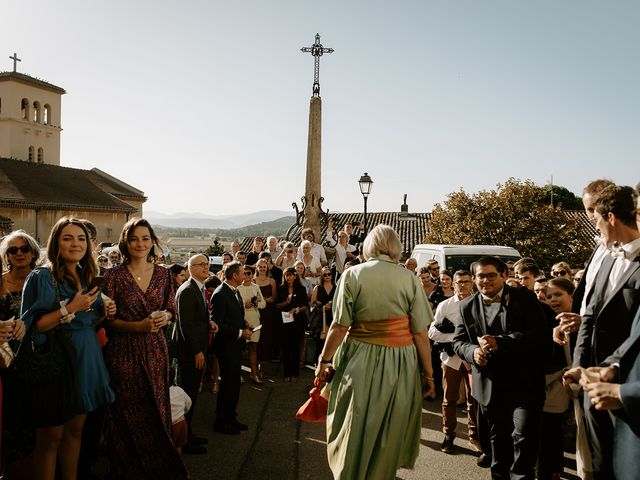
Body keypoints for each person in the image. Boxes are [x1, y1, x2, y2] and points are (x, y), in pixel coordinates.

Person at [315, 225, 434, 480]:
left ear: (369, 245)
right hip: (400, 360)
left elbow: (339, 325)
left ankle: (348, 473)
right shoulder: (410, 278)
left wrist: (324, 359)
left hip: (358, 356)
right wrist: (429, 374)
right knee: (388, 426)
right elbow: (421, 333)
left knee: (352, 420)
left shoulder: (352, 275)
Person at [20, 217, 116, 480]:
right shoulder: (41, 276)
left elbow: (92, 320)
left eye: (81, 238)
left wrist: (106, 310)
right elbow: (32, 326)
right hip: (57, 363)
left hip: (87, 359)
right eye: (67, 238)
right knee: (51, 437)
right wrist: (69, 308)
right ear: (55, 243)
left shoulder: (88, 276)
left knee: (75, 432)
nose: (75, 243)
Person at [563, 184, 640, 479]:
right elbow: (590, 314)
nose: (594, 226)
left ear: (610, 217)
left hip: (626, 379)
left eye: (595, 219)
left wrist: (615, 370)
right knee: (599, 459)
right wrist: (579, 365)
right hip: (592, 376)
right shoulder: (606, 257)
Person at [102, 218, 188, 479]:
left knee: (156, 409)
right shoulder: (113, 276)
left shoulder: (163, 274)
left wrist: (166, 317)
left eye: (145, 238)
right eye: (134, 238)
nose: (140, 243)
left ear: (153, 242)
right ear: (125, 242)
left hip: (156, 351)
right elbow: (107, 322)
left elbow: (172, 309)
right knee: (126, 414)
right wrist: (138, 326)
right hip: (123, 353)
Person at [453, 256, 546, 479]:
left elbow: (538, 336)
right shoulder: (466, 306)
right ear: (474, 279)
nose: (486, 280)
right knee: (497, 443)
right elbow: (458, 341)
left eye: (491, 275)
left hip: (525, 384)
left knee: (523, 438)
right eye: (481, 276)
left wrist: (502, 342)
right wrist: (473, 352)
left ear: (504, 275)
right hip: (489, 386)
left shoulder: (525, 298)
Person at [428, 270, 478, 455]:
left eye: (466, 281)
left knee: (474, 399)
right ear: (453, 284)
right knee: (449, 399)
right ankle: (449, 435)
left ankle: (475, 435)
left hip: (473, 357)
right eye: (459, 282)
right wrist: (455, 338)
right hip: (451, 359)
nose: (463, 285)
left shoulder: (479, 303)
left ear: (472, 283)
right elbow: (432, 332)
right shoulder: (445, 305)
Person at [174, 254, 215, 454]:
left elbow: (198, 319)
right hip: (191, 353)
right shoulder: (188, 290)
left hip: (198, 349)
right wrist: (197, 351)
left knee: (192, 396)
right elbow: (186, 326)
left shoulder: (198, 288)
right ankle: (184, 440)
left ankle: (189, 434)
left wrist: (210, 324)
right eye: (202, 265)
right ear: (191, 268)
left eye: (207, 264)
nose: (206, 268)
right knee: (187, 396)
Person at [537, 277, 575, 480]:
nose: (552, 299)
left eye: (558, 294)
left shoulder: (584, 320)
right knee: (549, 435)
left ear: (572, 295)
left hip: (582, 390)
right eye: (549, 296)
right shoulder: (545, 321)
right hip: (553, 391)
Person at [210, 261, 252, 435]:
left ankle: (231, 417)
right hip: (227, 347)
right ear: (235, 275)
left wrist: (244, 323)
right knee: (227, 384)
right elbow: (218, 324)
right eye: (243, 273)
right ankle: (222, 422)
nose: (245, 276)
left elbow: (234, 316)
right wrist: (240, 332)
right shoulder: (220, 294)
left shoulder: (234, 292)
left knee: (234, 384)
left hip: (235, 346)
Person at [275, 267, 309, 383]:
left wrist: (296, 309)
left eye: (290, 275)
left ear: (295, 276)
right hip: (284, 322)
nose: (288, 277)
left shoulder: (301, 289)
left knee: (295, 347)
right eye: (286, 275)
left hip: (298, 321)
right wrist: (286, 302)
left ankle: (295, 372)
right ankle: (287, 372)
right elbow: (276, 306)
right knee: (285, 348)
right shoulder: (281, 289)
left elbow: (305, 305)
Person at [237, 264, 266, 384]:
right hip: (241, 319)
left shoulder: (256, 287)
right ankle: (238, 374)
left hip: (254, 318)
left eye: (249, 273)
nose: (247, 275)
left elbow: (263, 303)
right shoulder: (238, 288)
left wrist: (255, 304)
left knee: (253, 347)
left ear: (253, 274)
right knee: (239, 349)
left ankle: (254, 374)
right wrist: (244, 305)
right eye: (245, 273)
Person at [254, 258, 277, 366]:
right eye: (260, 266)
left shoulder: (272, 281)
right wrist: (262, 300)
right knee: (257, 334)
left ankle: (266, 358)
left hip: (268, 312)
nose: (262, 268)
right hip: (256, 311)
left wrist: (265, 300)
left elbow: (274, 298)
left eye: (264, 266)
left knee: (267, 334)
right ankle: (256, 358)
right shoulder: (253, 280)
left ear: (267, 268)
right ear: (257, 268)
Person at [310, 266, 335, 360]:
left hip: (332, 317)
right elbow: (312, 303)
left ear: (332, 275)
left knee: (331, 342)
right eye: (325, 274)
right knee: (319, 342)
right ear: (322, 276)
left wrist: (332, 303)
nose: (327, 276)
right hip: (320, 318)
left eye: (329, 274)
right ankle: (318, 362)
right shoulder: (318, 288)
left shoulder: (336, 287)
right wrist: (322, 306)